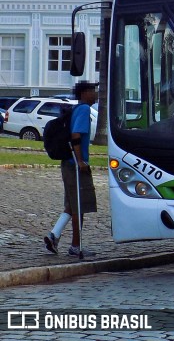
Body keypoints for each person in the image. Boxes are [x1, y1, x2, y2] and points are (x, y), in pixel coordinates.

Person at [44, 81, 98, 257]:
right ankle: (75, 246)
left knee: (71, 205)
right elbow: (76, 135)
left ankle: (54, 236)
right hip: (75, 165)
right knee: (78, 207)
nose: (95, 94)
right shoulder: (83, 110)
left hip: (68, 163)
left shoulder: (76, 109)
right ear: (84, 93)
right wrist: (80, 161)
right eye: (92, 91)